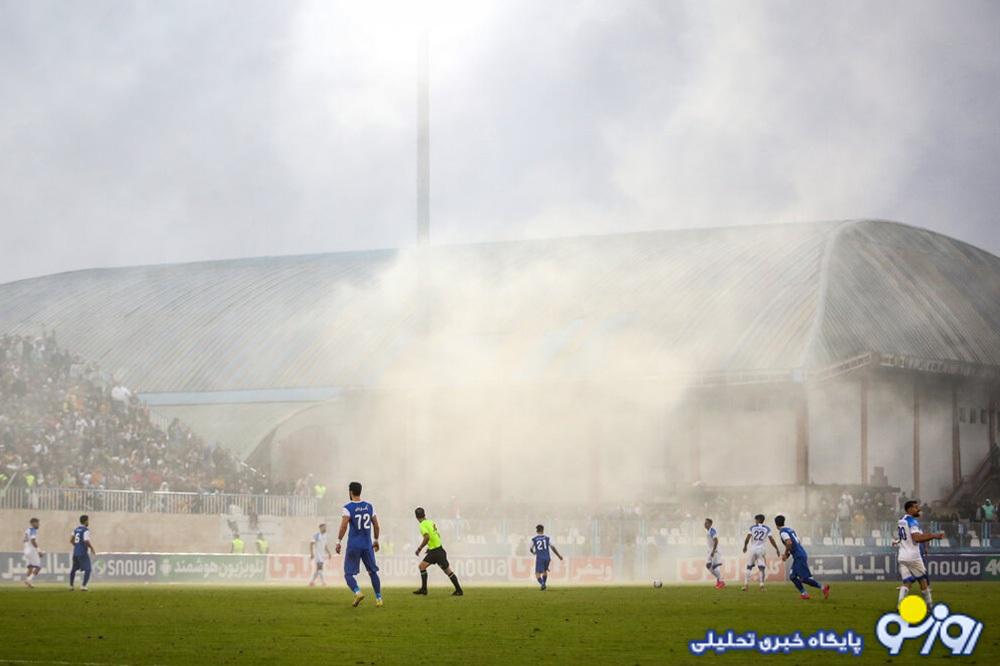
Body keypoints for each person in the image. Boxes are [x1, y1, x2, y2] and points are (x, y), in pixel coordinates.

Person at [334, 481, 382, 607]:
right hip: (367, 545)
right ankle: (378, 598)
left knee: (348, 574)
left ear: (350, 492)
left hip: (354, 545)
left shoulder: (348, 508)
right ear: (360, 491)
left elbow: (344, 526)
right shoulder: (369, 506)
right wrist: (376, 540)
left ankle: (357, 592)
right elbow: (376, 525)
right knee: (372, 572)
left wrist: (338, 541)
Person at [894, 500, 944, 608]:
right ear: (910, 509)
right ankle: (930, 606)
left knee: (907, 582)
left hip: (902, 556)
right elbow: (916, 538)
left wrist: (897, 541)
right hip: (913, 556)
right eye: (916, 507)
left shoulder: (901, 521)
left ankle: (899, 606)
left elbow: (903, 537)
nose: (919, 509)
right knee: (922, 580)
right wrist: (934, 536)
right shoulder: (912, 521)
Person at [775, 515, 829, 600]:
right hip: (799, 555)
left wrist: (785, 554)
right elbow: (797, 542)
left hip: (799, 556)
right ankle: (804, 594)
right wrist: (789, 553)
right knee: (792, 576)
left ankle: (823, 588)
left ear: (776, 524)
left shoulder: (782, 532)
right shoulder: (790, 530)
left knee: (804, 579)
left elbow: (789, 543)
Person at [413, 507, 463, 596]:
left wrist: (419, 549)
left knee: (447, 571)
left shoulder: (422, 525)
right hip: (437, 550)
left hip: (436, 552)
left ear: (416, 517)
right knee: (422, 566)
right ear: (424, 514)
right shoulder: (430, 522)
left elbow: (427, 537)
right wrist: (430, 547)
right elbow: (436, 535)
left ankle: (459, 590)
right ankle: (424, 589)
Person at [741, 513, 780, 591]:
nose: (755, 521)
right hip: (761, 549)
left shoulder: (752, 528)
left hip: (752, 549)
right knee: (761, 568)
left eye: (755, 519)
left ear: (758, 520)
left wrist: (745, 546)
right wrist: (776, 548)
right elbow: (771, 539)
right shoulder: (767, 529)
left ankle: (746, 585)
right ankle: (761, 586)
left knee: (749, 567)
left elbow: (747, 538)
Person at [530, 524, 563, 591]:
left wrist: (533, 552)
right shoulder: (547, 538)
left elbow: (531, 548)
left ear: (536, 530)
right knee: (544, 571)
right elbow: (553, 547)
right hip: (547, 557)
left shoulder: (534, 539)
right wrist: (559, 556)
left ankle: (542, 584)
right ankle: (543, 586)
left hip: (540, 558)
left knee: (537, 573)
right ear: (543, 530)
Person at [69, 515, 96, 591]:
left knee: (74, 569)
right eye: (88, 520)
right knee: (88, 569)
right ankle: (83, 586)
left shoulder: (75, 529)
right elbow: (86, 540)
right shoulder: (85, 530)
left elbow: (71, 540)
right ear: (85, 521)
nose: (88, 522)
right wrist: (92, 548)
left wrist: (77, 545)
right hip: (82, 552)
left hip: (75, 552)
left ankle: (71, 586)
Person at [704, 518, 725, 589]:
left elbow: (716, 540)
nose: (705, 524)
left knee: (714, 566)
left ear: (710, 524)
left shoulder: (712, 531)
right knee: (708, 565)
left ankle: (720, 581)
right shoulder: (707, 531)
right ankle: (720, 580)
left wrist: (713, 550)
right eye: (705, 522)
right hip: (710, 551)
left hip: (715, 551)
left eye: (706, 523)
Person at [23, 517, 42, 588]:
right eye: (37, 523)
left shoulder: (27, 530)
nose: (38, 525)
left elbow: (25, 541)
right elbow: (33, 540)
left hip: (26, 550)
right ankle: (28, 580)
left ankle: (29, 583)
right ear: (33, 523)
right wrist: (39, 550)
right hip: (31, 550)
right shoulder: (33, 530)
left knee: (30, 567)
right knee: (38, 567)